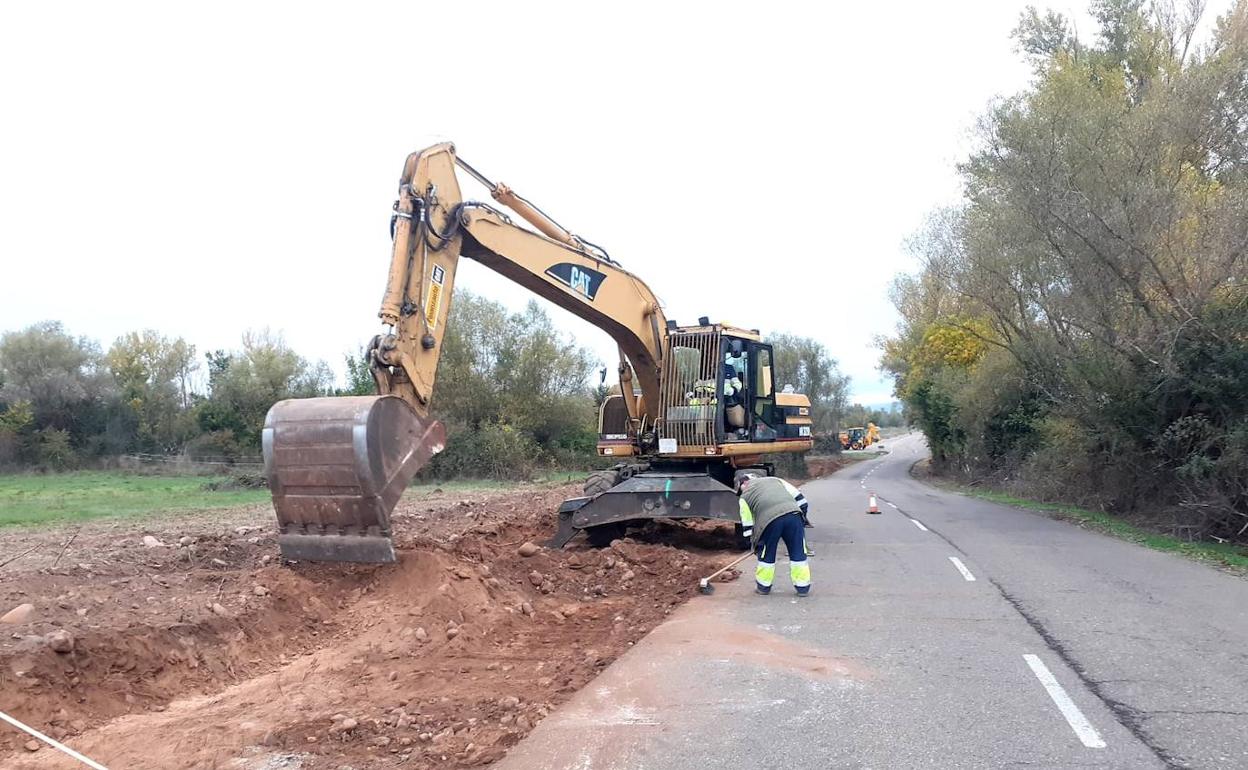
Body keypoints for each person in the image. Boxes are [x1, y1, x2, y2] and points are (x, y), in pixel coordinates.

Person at [736, 473, 811, 596]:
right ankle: (803, 588)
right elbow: (802, 501)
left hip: (769, 521)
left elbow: (748, 524)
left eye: (741, 488)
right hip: (794, 515)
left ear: (744, 483)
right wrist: (802, 520)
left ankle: (763, 587)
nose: (742, 491)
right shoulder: (776, 480)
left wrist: (753, 543)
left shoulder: (744, 497)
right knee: (798, 551)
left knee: (766, 553)